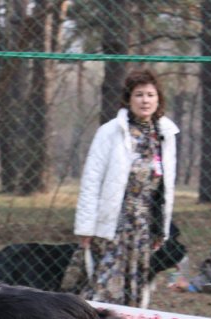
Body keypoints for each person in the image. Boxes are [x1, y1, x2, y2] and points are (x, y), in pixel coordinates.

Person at [74, 68, 179, 307]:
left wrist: (161, 229)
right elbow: (91, 180)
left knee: (136, 289)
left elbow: (166, 187)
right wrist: (85, 227)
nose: (145, 100)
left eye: (151, 95)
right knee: (104, 287)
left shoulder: (165, 134)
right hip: (114, 222)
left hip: (145, 225)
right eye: (139, 95)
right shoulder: (110, 132)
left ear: (158, 99)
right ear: (128, 99)